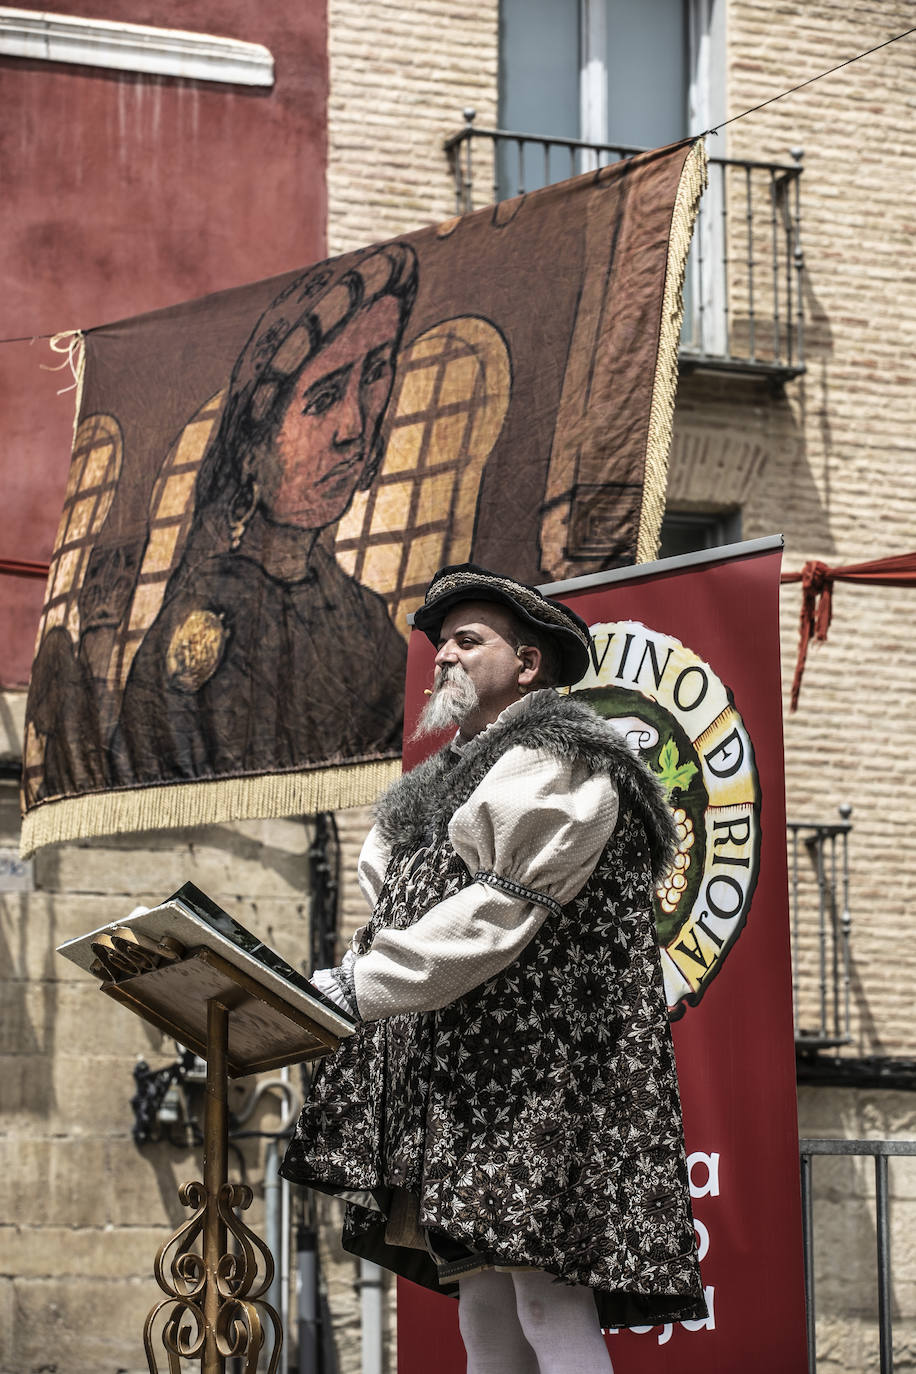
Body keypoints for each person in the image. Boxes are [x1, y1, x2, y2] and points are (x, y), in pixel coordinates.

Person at [281, 563, 706, 1372]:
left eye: (468, 641)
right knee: (484, 1306)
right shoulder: (437, 783)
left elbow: (492, 916)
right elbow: (404, 907)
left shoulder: (561, 760)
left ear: (528, 664)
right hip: (469, 1083)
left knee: (548, 1301)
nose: (444, 657)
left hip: (535, 1079)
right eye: (441, 645)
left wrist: (355, 987)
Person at [115, 244, 417, 783]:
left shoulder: (367, 620)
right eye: (322, 398)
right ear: (252, 452)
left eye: (374, 373)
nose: (354, 427)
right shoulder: (206, 623)